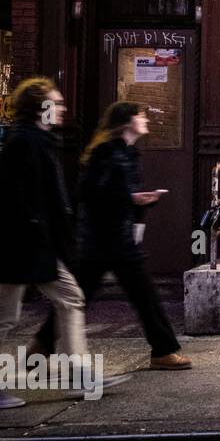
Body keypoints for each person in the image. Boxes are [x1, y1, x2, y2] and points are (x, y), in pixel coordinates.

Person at [33, 102, 192, 370]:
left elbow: (123, 195)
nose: (145, 119)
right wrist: (132, 199)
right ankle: (163, 351)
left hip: (114, 240)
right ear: (127, 121)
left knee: (117, 295)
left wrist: (142, 203)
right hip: (103, 240)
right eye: (140, 115)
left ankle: (41, 345)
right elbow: (92, 194)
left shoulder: (128, 153)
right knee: (139, 296)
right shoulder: (106, 153)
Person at [0, 79, 90, 407]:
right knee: (5, 317)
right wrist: (40, 229)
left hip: (34, 246)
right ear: (40, 107)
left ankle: (80, 376)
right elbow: (18, 198)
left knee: (71, 298)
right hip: (20, 246)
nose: (63, 109)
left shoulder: (36, 139)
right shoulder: (25, 141)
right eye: (56, 103)